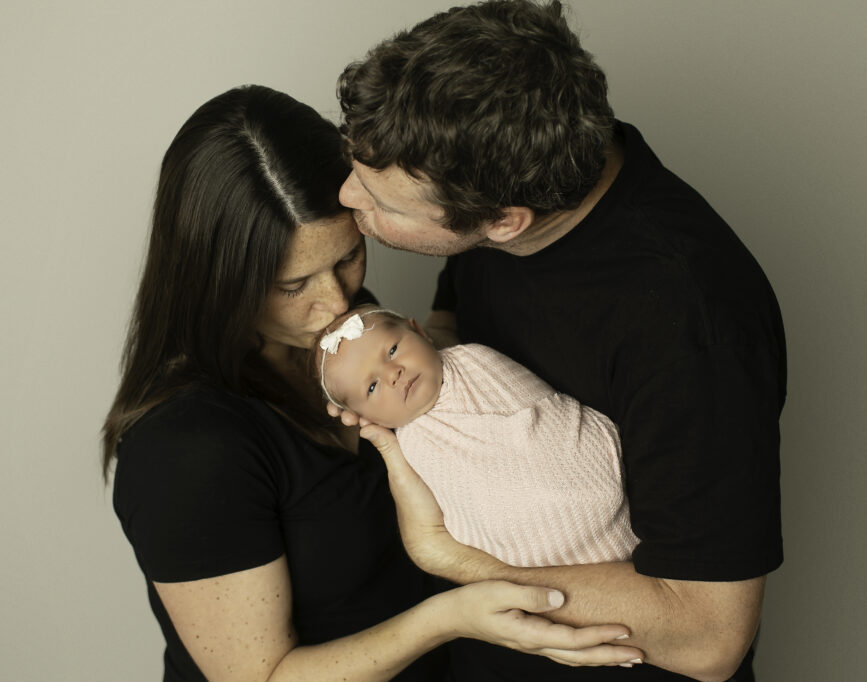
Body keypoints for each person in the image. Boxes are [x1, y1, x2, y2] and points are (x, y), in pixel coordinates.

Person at [101, 84, 646, 682]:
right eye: (292, 286)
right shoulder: (185, 449)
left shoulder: (353, 349)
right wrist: (451, 616)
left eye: (347, 257)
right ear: (216, 280)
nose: (335, 300)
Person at [334, 1, 786, 680]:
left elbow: (708, 637)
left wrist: (452, 557)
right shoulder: (504, 162)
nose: (347, 199)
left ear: (506, 222)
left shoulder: (694, 325)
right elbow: (458, 333)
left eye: (383, 203)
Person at [312, 305, 639, 568]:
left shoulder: (474, 360)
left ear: (420, 331)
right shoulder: (407, 448)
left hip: (605, 498)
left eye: (393, 350)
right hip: (536, 563)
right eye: (372, 387)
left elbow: (543, 415)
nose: (393, 374)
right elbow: (458, 509)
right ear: (367, 418)